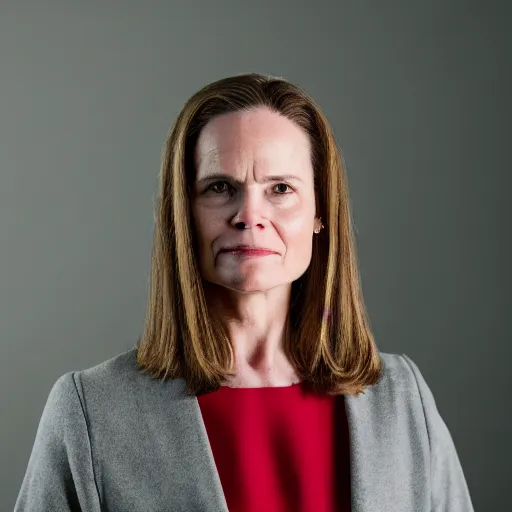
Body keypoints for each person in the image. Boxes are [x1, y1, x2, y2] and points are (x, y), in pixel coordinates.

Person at [14, 73, 474, 512]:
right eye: (220, 187)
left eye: (280, 188)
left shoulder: (401, 398)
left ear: (320, 212)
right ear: (184, 214)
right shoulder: (92, 411)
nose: (249, 215)